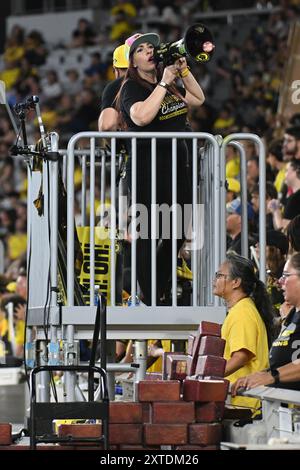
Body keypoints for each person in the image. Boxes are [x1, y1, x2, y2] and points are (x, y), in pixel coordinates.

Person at [117, 31, 205, 305]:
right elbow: (141, 117)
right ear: (132, 61)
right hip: (147, 167)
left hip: (177, 165)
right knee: (148, 232)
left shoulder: (168, 84)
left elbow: (198, 99)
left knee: (179, 229)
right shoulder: (131, 87)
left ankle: (155, 287)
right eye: (141, 49)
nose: (148, 52)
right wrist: (164, 83)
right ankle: (152, 295)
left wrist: (182, 70)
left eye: (151, 48)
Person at [213, 253, 275, 412]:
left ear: (236, 282)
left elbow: (241, 356)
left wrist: (209, 375)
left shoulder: (242, 312)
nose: (215, 280)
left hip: (246, 404)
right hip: (240, 401)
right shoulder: (240, 309)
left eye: (220, 275)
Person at [231, 252, 300, 395]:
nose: (279, 281)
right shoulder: (293, 314)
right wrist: (258, 376)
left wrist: (271, 376)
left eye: (286, 275)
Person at [98, 44, 128, 132]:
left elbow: (107, 125)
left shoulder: (113, 87)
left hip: (133, 143)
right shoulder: (159, 78)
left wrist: (114, 145)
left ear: (116, 70)